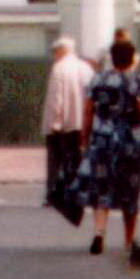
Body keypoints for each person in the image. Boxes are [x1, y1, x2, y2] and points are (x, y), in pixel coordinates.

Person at [74, 36, 140, 259]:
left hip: (102, 140)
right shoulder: (137, 81)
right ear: (132, 58)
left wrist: (85, 138)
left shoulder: (98, 80)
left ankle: (99, 232)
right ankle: (128, 240)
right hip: (130, 142)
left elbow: (88, 112)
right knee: (130, 190)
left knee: (102, 187)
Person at [42, 37, 96, 218]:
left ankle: (53, 194)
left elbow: (56, 99)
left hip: (64, 123)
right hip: (82, 121)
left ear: (60, 51)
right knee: (79, 159)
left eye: (55, 52)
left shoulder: (59, 68)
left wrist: (55, 124)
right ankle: (81, 193)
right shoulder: (86, 68)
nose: (54, 55)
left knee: (56, 160)